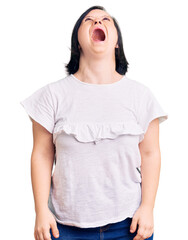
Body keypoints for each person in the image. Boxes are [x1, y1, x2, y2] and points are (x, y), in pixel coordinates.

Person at [20, 5, 168, 240]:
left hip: (129, 226)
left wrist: (148, 208)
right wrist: (40, 211)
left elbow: (150, 154)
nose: (97, 22)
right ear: (77, 41)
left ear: (117, 41)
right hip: (63, 228)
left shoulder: (141, 96)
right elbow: (41, 155)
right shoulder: (51, 96)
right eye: (88, 20)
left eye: (105, 19)